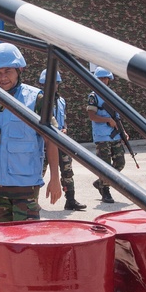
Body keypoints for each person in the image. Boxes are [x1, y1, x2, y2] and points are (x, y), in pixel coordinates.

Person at [0, 43, 61, 222]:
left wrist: (55, 178)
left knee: (25, 242)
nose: (3, 78)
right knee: (2, 241)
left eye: (8, 71)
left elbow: (52, 140)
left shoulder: (36, 99)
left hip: (25, 188)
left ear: (19, 70)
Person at [40, 68, 86, 211]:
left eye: (55, 83)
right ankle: (32, 200)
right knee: (38, 172)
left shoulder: (61, 101)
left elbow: (63, 119)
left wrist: (65, 128)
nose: (53, 85)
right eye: (49, 83)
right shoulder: (39, 100)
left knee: (67, 170)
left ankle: (70, 200)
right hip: (44, 143)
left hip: (62, 142)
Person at [87, 67, 128, 204]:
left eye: (106, 78)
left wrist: (123, 132)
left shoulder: (112, 95)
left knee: (120, 163)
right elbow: (92, 116)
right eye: (101, 78)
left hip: (114, 135)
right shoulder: (93, 96)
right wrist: (107, 120)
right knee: (105, 165)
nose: (103, 81)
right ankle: (105, 191)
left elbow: (117, 117)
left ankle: (101, 182)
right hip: (102, 137)